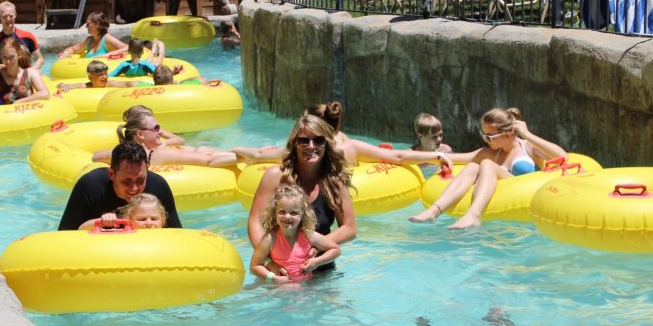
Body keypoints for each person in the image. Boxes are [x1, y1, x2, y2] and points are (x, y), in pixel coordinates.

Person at [408, 107, 568, 229]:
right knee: (472, 166)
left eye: (489, 137)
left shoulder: (528, 147)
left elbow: (562, 157)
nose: (485, 140)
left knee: (485, 164)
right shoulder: (490, 152)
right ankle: (434, 211)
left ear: (509, 133)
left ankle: (474, 214)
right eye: (483, 135)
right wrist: (398, 157)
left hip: (527, 194)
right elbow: (448, 158)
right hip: (506, 196)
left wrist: (527, 134)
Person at [247, 114, 355, 274]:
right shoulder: (275, 177)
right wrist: (268, 259)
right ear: (294, 144)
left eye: (318, 140)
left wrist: (316, 247)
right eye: (304, 141)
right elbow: (255, 222)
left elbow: (349, 228)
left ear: (327, 144)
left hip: (321, 268)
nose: (311, 146)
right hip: (280, 270)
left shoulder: (335, 181)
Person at [232, 102, 453, 169]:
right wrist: (437, 157)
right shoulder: (350, 145)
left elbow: (258, 154)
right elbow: (397, 157)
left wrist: (235, 150)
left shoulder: (302, 150)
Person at [58, 141, 182, 230]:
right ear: (111, 174)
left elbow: (176, 233)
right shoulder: (90, 186)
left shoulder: (158, 186)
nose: (134, 188)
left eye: (140, 180)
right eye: (127, 181)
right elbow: (65, 233)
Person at [91, 105, 238, 167]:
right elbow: (207, 160)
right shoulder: (154, 154)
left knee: (202, 147)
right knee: (201, 149)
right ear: (140, 134)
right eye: (155, 128)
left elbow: (96, 156)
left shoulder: (154, 147)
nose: (159, 131)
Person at [250, 184, 341, 283]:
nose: (287, 216)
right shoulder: (270, 238)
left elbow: (335, 249)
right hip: (279, 290)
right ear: (274, 213)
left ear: (303, 214)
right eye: (282, 212)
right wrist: (273, 278)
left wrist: (317, 262)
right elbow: (255, 266)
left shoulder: (308, 235)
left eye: (293, 213)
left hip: (306, 288)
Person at [0, 37, 49, 104]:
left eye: (11, 57)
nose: (8, 62)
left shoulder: (30, 73)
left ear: (19, 54)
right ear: (0, 55)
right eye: (4, 57)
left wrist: (20, 101)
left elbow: (45, 93)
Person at [56, 11, 128, 59]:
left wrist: (106, 55)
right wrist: (65, 53)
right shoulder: (89, 40)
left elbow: (128, 48)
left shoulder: (107, 39)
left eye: (88, 24)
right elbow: (73, 49)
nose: (86, 26)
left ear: (97, 24)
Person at [78, 193, 167, 230]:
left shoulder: (167, 237)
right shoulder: (123, 235)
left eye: (154, 219)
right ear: (129, 220)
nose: (148, 223)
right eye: (142, 219)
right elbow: (81, 229)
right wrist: (103, 221)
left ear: (162, 221)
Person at [411, 113, 453, 178]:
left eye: (440, 135)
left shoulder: (446, 150)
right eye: (434, 136)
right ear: (420, 136)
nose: (439, 139)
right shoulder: (411, 155)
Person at [57, 60, 139, 92]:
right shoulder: (86, 86)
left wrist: (142, 85)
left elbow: (127, 84)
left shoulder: (109, 84)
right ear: (90, 77)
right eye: (100, 75)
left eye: (106, 74)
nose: (105, 77)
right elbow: (61, 85)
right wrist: (64, 85)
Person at [151, 64, 218, 86]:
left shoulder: (147, 87)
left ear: (154, 80)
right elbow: (202, 79)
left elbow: (139, 82)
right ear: (172, 78)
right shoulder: (184, 85)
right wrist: (178, 82)